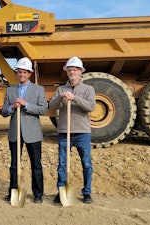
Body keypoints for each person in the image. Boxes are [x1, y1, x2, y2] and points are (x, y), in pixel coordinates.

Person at [49, 56, 95, 204]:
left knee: (86, 163)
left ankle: (87, 192)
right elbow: (52, 106)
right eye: (69, 69)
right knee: (62, 163)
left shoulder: (88, 89)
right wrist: (61, 97)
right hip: (64, 131)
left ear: (81, 71)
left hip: (82, 132)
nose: (72, 72)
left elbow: (90, 107)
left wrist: (75, 98)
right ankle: (61, 190)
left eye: (74, 69)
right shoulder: (61, 89)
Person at [1, 57, 47, 203]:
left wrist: (26, 104)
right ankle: (13, 191)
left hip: (32, 133)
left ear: (29, 74)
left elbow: (43, 109)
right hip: (15, 133)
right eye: (19, 72)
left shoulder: (38, 90)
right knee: (14, 165)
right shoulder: (10, 90)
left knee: (36, 165)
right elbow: (3, 111)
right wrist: (12, 107)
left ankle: (38, 194)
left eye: (24, 72)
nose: (21, 75)